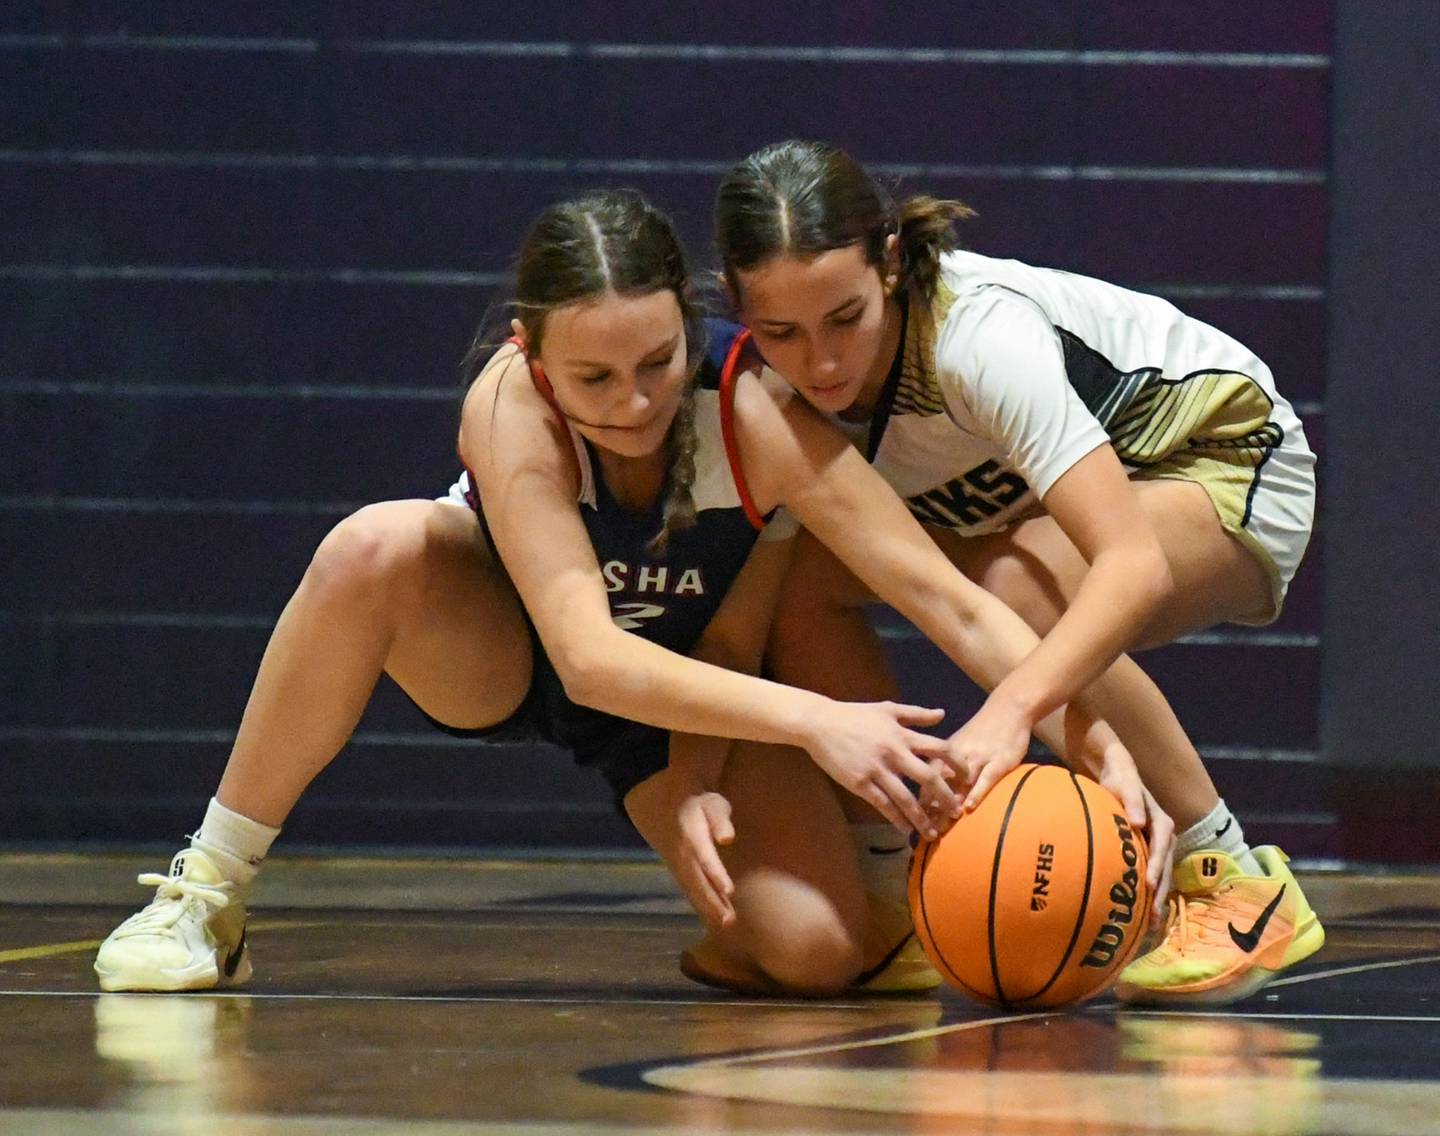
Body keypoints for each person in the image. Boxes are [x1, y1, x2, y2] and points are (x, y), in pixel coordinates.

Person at [93, 190, 1166, 999]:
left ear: (691, 322)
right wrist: (820, 724)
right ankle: (208, 891)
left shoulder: (753, 413)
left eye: (657, 362)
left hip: (692, 697)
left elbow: (954, 603)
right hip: (518, 655)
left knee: (815, 957)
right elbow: (590, 659)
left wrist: (1094, 743)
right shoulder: (507, 406)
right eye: (593, 380)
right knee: (371, 548)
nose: (636, 401)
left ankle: (827, 897)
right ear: (532, 352)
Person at [712, 139, 1324, 1006]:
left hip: (1221, 454)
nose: (821, 364)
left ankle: (1228, 871)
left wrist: (1011, 714)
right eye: (782, 333)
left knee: (1017, 586)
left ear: (889, 263)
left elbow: (1132, 565)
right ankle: (885, 893)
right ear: (739, 305)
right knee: (805, 586)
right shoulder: (759, 390)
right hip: (1022, 503)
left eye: (845, 318)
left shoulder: (975, 340)